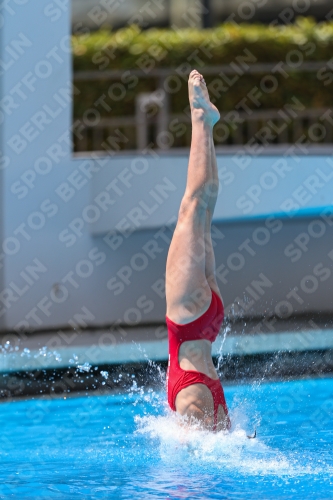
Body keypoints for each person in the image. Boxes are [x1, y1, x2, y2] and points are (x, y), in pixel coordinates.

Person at [165, 69, 230, 432]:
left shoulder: (199, 400)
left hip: (205, 334)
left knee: (202, 211)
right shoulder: (189, 400)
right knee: (193, 208)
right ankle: (201, 117)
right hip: (189, 326)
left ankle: (207, 121)